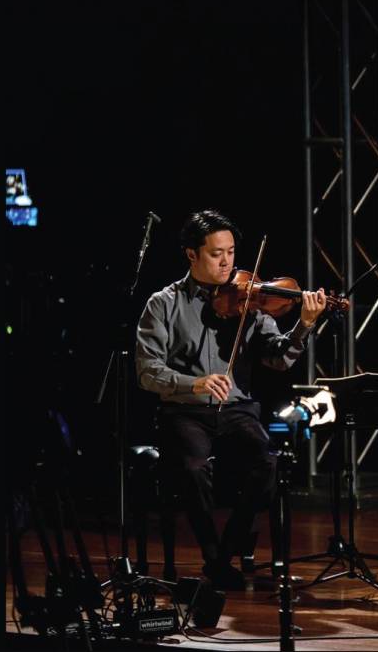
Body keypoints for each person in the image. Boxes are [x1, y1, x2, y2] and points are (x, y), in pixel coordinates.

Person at [135, 210, 327, 589]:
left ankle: (224, 554)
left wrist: (303, 325)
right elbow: (146, 371)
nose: (227, 262)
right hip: (184, 411)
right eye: (216, 253)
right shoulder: (163, 304)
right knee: (193, 468)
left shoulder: (249, 299)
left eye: (231, 252)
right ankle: (214, 556)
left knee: (269, 461)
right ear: (192, 254)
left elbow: (279, 358)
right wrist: (195, 383)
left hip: (238, 410)